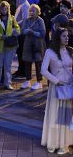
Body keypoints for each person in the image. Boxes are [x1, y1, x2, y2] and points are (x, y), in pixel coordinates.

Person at [41, 27, 73, 155]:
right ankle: (52, 142)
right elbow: (43, 70)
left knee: (65, 116)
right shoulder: (50, 52)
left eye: (68, 36)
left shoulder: (70, 51)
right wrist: (56, 81)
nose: (67, 38)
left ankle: (64, 144)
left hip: (69, 87)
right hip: (56, 88)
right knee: (54, 115)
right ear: (57, 37)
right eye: (64, 36)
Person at [0, 1, 20, 90]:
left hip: (10, 45)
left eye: (6, 8)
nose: (4, 10)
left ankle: (7, 83)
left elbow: (18, 28)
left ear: (8, 9)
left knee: (8, 65)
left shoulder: (12, 18)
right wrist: (1, 36)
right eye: (2, 9)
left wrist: (14, 32)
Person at [21, 4, 46, 90]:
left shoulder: (40, 21)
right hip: (28, 43)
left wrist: (33, 32)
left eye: (33, 11)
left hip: (38, 44)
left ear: (38, 12)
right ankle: (28, 80)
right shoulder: (27, 20)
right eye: (30, 11)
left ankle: (39, 81)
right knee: (27, 62)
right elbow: (23, 30)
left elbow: (43, 33)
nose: (31, 12)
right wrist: (26, 31)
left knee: (38, 62)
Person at [13, 0, 30, 79]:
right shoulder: (21, 4)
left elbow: (24, 20)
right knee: (19, 52)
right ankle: (20, 70)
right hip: (20, 33)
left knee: (21, 52)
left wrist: (14, 23)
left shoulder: (25, 5)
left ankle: (23, 72)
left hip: (22, 34)